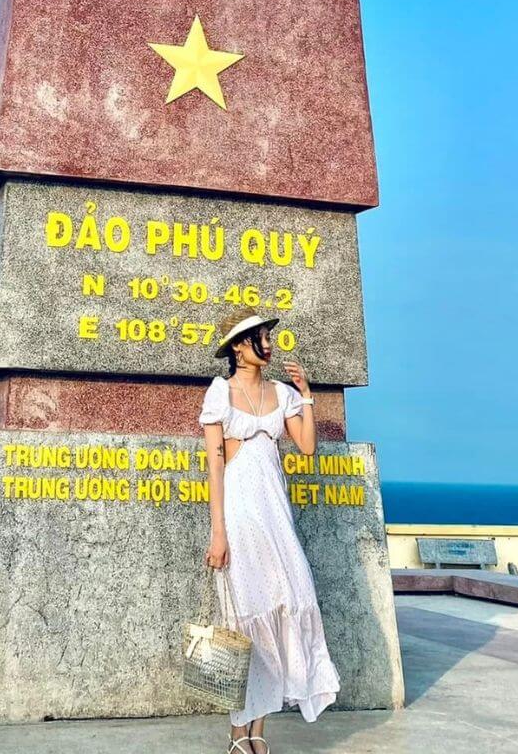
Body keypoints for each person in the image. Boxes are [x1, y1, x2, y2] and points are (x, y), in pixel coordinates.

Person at [197, 307, 342, 754]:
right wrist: (218, 533)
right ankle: (238, 734)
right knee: (245, 621)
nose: (268, 343)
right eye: (259, 337)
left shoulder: (282, 393)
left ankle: (258, 730)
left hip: (276, 515)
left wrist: (307, 395)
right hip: (239, 516)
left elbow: (308, 446)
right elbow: (215, 467)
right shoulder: (220, 392)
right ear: (239, 348)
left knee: (286, 602)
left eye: (267, 335)